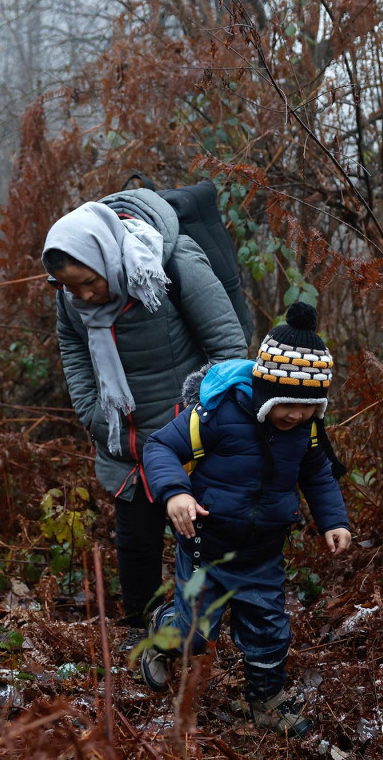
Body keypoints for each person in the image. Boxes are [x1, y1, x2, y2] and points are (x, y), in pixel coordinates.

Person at [42, 194, 247, 645]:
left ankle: (208, 635)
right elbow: (72, 347)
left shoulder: (171, 264)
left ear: (108, 256)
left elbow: (229, 350)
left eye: (88, 283)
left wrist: (201, 416)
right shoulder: (71, 296)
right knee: (135, 544)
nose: (83, 297)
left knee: (201, 541)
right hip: (125, 441)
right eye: (68, 288)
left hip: (186, 438)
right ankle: (145, 634)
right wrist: (91, 412)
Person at [139, 302, 351, 737]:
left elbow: (318, 475)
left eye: (309, 407)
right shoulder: (220, 414)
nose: (297, 415)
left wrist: (334, 520)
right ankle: (164, 631)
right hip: (205, 546)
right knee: (192, 635)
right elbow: (159, 447)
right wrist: (176, 493)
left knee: (270, 634)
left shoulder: (307, 431)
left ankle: (266, 701)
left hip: (262, 554)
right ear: (266, 391)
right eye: (287, 404)